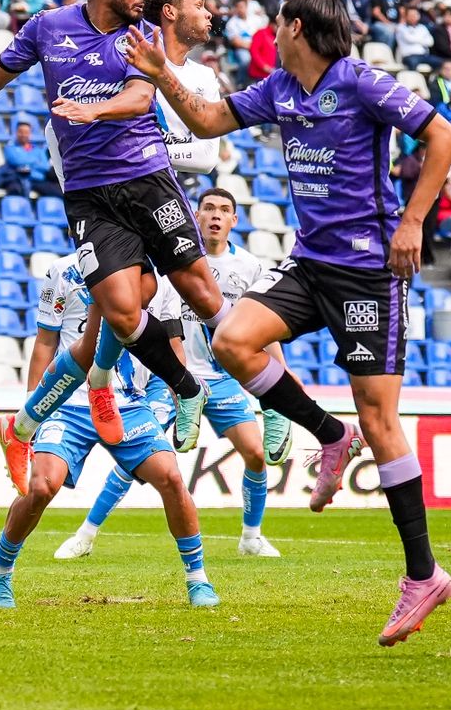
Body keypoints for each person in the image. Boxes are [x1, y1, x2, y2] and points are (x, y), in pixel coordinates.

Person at [144, 0, 451, 646]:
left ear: (296, 27)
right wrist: (160, 75)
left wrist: (412, 221)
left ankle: (423, 575)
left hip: (370, 272)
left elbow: (443, 135)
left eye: (275, 24)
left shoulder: (362, 84)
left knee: (383, 420)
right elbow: (206, 120)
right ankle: (328, 433)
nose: (268, 34)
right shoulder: (279, 89)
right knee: (232, 340)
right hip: (311, 264)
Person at [0, 0, 226, 486]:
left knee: (194, 299)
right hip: (90, 195)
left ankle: (273, 402)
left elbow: (143, 96)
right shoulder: (49, 27)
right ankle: (169, 387)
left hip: (147, 183)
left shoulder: (140, 32)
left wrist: (94, 109)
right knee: (118, 315)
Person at [55, 187, 294, 562]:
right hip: (179, 378)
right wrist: (173, 378)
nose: (215, 215)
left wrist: (281, 378)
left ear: (234, 220)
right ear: (195, 216)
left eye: (224, 210)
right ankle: (86, 533)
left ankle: (251, 536)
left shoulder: (250, 268)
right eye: (208, 208)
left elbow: (263, 329)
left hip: (224, 378)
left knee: (255, 454)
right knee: (141, 456)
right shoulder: (171, 265)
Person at [0, 250, 218, 610]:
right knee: (42, 487)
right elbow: (46, 341)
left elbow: (172, 344)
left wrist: (178, 394)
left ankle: (197, 579)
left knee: (170, 477)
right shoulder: (62, 271)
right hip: (67, 400)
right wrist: (32, 405)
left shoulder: (158, 279)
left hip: (129, 401)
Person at [0, 120, 58, 198]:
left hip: (38, 180)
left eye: (26, 132)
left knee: (58, 192)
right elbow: (17, 161)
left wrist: (26, 163)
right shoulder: (10, 148)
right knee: (15, 190)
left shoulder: (38, 150)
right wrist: (36, 161)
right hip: (18, 179)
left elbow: (45, 166)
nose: (23, 134)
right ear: (16, 132)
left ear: (30, 133)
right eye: (21, 132)